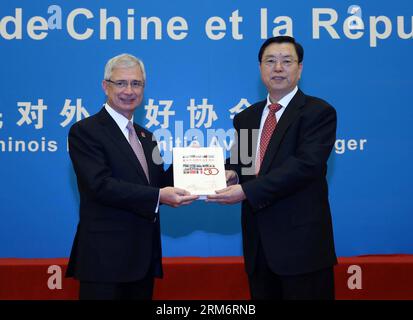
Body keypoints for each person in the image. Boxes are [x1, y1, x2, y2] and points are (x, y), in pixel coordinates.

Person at [207, 36, 337, 300]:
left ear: (299, 69)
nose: (278, 68)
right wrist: (230, 174)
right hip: (259, 248)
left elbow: (305, 167)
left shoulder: (318, 113)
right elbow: (240, 163)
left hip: (303, 249)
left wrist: (246, 191)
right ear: (260, 68)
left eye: (286, 61)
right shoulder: (247, 117)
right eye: (270, 61)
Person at [66, 53, 198, 300]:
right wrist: (159, 195)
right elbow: (100, 185)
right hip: (104, 262)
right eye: (121, 83)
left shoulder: (147, 137)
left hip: (142, 260)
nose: (129, 90)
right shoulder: (85, 131)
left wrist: (191, 165)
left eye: (136, 84)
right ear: (105, 86)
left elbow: (159, 183)